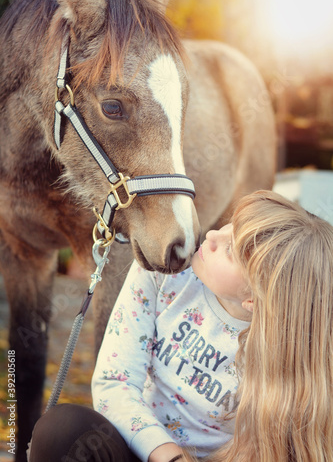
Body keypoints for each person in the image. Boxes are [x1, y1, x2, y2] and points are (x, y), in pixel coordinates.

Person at [29, 190, 333, 462]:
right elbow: (114, 381)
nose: (211, 236)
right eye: (228, 226)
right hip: (143, 448)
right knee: (63, 430)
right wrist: (169, 457)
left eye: (229, 250)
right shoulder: (165, 272)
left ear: (255, 298)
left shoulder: (287, 351)